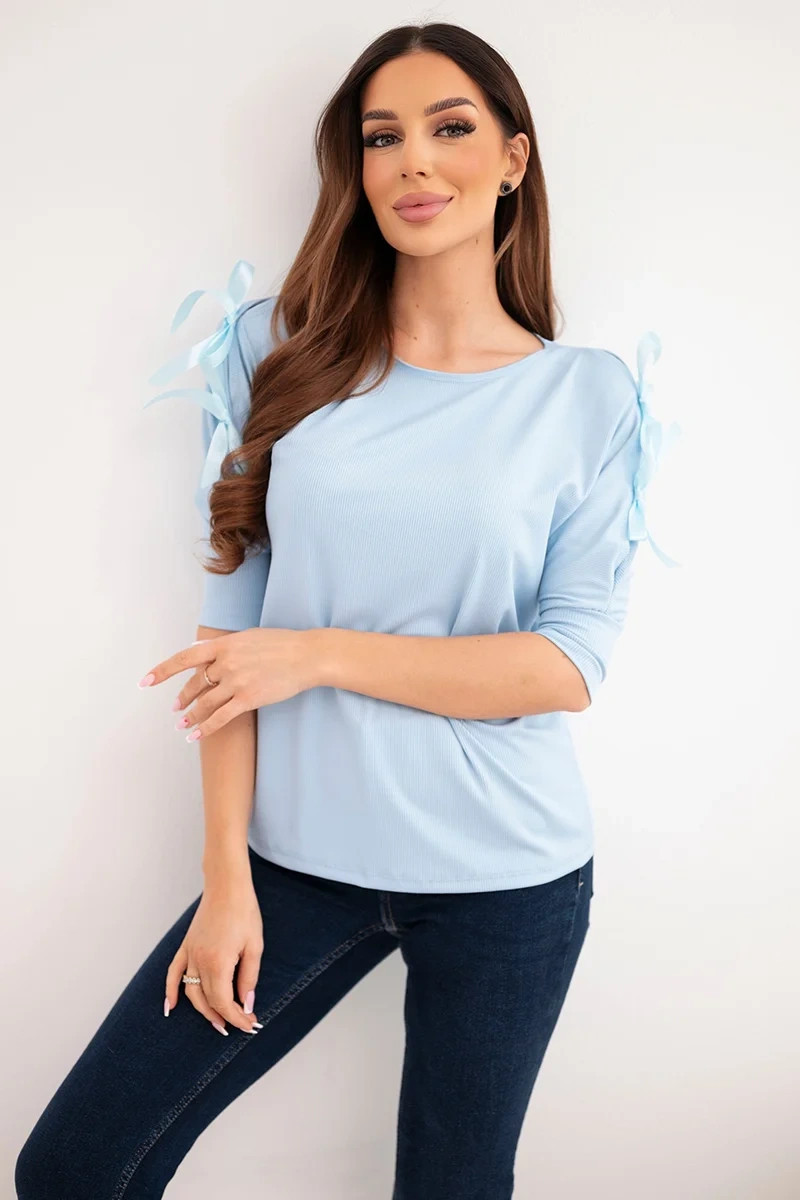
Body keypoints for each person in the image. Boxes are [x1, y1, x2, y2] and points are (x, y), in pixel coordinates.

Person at [15, 20, 679, 1200]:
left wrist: (320, 654)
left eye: (448, 128)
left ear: (512, 159)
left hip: (508, 875)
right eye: (381, 137)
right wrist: (226, 879)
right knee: (75, 1169)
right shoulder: (277, 350)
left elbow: (562, 668)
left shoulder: (586, 396)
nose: (411, 160)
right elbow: (230, 643)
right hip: (294, 863)